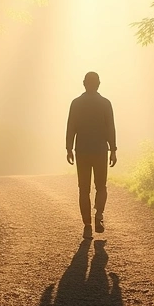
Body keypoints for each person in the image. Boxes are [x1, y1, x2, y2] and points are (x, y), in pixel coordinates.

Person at [66, 71, 117, 240]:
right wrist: (113, 150)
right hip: (100, 150)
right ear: (99, 84)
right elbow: (110, 127)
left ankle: (87, 224)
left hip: (82, 151)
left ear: (84, 83)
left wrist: (69, 148)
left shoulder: (76, 103)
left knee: (84, 188)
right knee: (101, 186)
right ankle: (99, 214)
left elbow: (71, 126)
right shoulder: (105, 103)